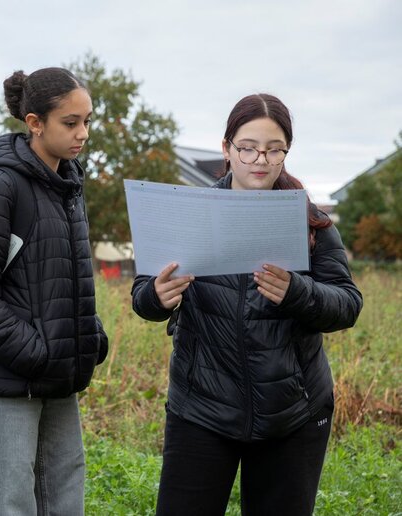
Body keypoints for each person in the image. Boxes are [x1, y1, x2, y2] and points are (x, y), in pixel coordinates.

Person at [131, 93, 363, 515]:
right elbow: (143, 294)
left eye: (275, 150)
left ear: (286, 153)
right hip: (200, 408)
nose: (261, 159)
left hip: (293, 412)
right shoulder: (190, 214)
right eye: (249, 147)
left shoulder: (310, 221)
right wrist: (156, 296)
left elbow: (348, 304)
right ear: (227, 148)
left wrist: (299, 292)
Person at [0, 68, 108, 515]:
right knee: (8, 503)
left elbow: (65, 277)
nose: (83, 133)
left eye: (88, 121)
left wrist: (88, 337)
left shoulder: (69, 186)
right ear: (35, 123)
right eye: (71, 123)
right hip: (8, 379)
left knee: (64, 498)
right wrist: (36, 352)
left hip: (58, 378)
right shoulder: (1, 185)